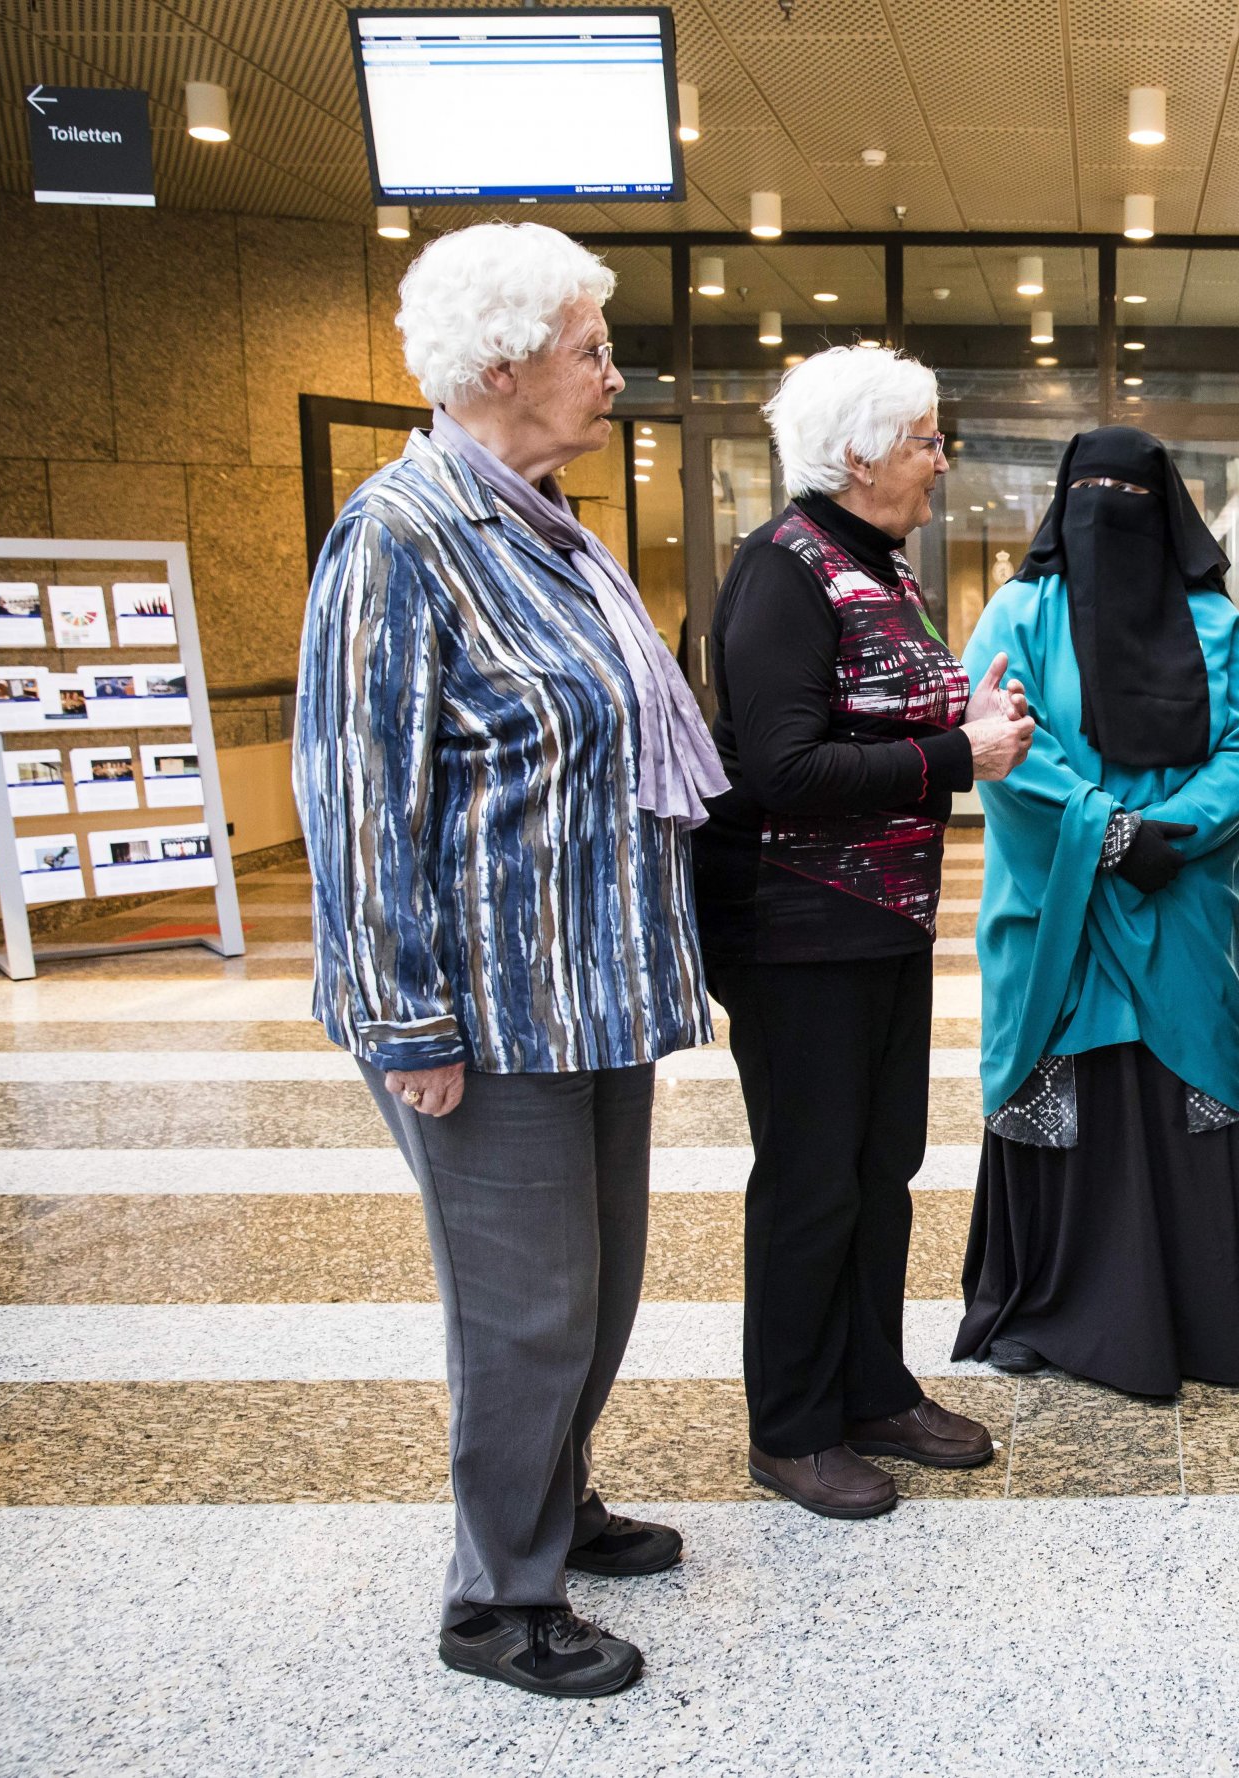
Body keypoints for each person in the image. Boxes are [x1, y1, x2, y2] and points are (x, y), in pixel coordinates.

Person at [297, 221, 726, 1698]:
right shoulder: (402, 535)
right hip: (481, 1013)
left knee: (596, 1296)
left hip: (591, 993)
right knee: (522, 1308)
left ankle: (556, 1499)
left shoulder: (547, 527)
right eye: (590, 348)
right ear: (500, 365)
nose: (614, 371)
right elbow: (359, 799)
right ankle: (496, 1598)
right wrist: (402, 1018)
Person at [696, 346, 1034, 1520]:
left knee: (878, 1167)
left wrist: (974, 718)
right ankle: (790, 1428)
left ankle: (870, 1387)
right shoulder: (782, 571)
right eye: (924, 438)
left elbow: (882, 717)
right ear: (856, 452)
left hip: (878, 920)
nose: (941, 458)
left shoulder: (872, 563)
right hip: (795, 929)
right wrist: (959, 756)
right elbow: (782, 768)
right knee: (809, 1179)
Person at [952, 426, 1239, 1393]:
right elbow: (1001, 736)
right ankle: (1042, 1310)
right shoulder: (1018, 615)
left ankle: (1201, 1305)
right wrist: (1110, 833)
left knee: (1177, 1087)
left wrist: (1170, 833)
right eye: (1092, 490)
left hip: (1180, 897)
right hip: (1058, 899)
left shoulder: (1216, 625)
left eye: (1131, 494)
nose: (1109, 512)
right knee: (1062, 1085)